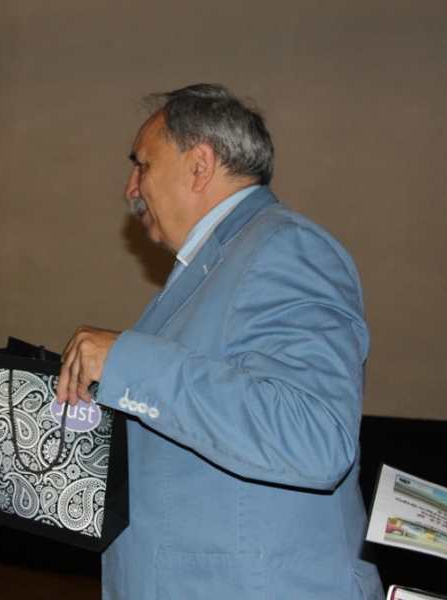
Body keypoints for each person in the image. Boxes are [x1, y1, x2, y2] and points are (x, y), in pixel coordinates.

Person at [56, 84, 383, 599]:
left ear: (199, 165)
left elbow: (314, 436)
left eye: (142, 165)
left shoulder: (285, 247)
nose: (130, 188)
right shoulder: (218, 264)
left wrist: (127, 361)